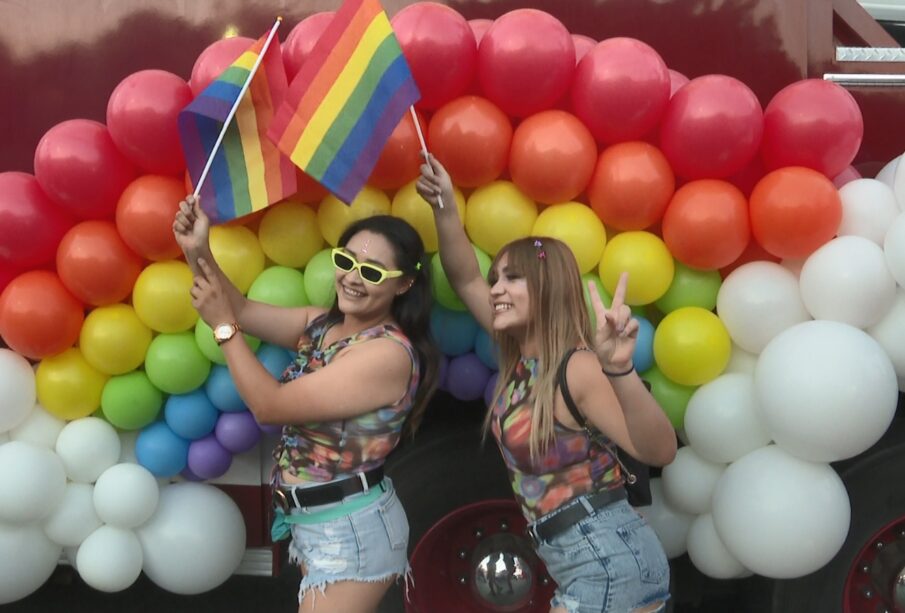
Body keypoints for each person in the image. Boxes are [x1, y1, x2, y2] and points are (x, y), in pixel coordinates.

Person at [416, 157, 677, 613]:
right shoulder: (522, 363)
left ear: (549, 285)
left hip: (608, 560)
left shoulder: (577, 367)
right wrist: (444, 206)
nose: (496, 288)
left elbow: (659, 452)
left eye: (513, 278)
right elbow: (464, 277)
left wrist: (619, 369)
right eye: (496, 277)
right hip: (581, 558)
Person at [173, 196, 438, 613]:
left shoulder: (386, 354)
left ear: (403, 284)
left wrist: (223, 330)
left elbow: (269, 406)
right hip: (319, 522)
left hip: (350, 532)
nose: (353, 277)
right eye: (346, 261)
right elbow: (241, 308)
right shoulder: (322, 325)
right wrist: (197, 251)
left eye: (371, 272)